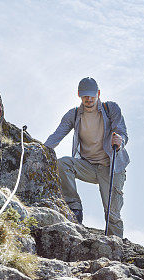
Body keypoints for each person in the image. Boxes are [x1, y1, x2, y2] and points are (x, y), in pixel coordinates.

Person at [44, 77, 130, 237]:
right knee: (63, 164)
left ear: (98, 93)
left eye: (91, 95)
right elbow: (57, 135)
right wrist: (41, 150)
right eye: (85, 96)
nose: (89, 99)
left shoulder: (111, 109)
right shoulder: (74, 114)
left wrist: (121, 140)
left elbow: (122, 132)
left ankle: (116, 248)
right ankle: (74, 207)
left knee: (112, 214)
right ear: (79, 95)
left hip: (111, 168)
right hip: (88, 166)